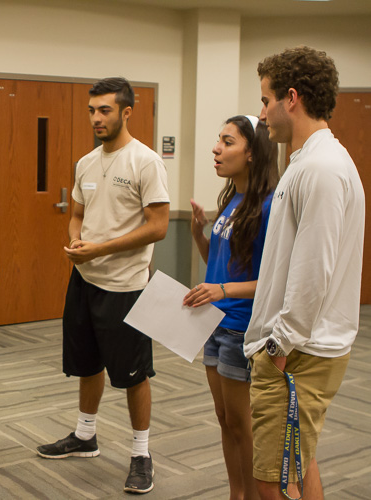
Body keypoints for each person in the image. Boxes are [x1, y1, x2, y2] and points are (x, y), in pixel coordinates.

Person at [36, 77, 169, 494]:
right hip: (84, 280)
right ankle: (85, 436)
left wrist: (102, 250)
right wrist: (78, 239)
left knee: (132, 374)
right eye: (92, 110)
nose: (96, 118)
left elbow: (159, 227)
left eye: (105, 110)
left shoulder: (145, 162)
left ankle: (142, 454)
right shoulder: (86, 163)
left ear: (126, 112)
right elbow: (77, 213)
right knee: (86, 362)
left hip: (126, 286)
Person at [245, 46, 365, 500]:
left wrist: (280, 344)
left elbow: (315, 267)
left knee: (270, 481)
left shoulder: (322, 168)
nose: (261, 115)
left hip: (299, 353)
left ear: (290, 98)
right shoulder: (307, 163)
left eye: (265, 100)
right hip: (298, 348)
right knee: (298, 459)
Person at [184, 115, 277, 500]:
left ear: (252, 153)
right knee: (225, 422)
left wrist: (222, 290)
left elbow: (274, 283)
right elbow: (219, 268)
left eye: (227, 141)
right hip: (215, 324)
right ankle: (236, 494)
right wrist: (198, 236)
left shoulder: (271, 206)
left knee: (242, 425)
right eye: (218, 141)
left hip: (241, 328)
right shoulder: (232, 199)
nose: (216, 149)